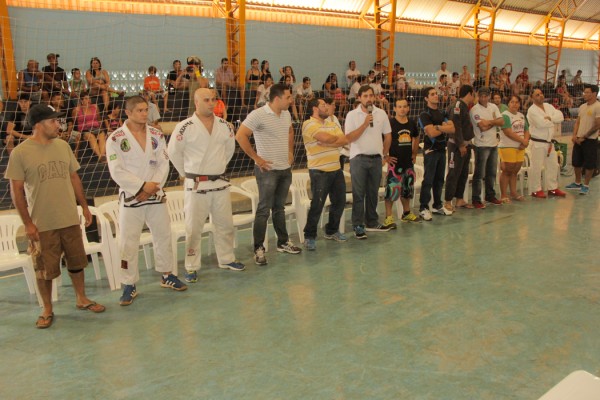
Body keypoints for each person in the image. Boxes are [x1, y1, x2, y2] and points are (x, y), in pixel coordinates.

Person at [5, 104, 106, 328]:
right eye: (53, 121)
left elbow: (74, 178)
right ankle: (47, 308)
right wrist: (28, 224)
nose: (58, 125)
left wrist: (84, 207)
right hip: (42, 224)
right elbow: (16, 191)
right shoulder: (21, 153)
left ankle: (81, 298)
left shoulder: (63, 146)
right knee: (44, 269)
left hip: (69, 218)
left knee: (77, 262)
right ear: (39, 125)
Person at [106, 96, 186, 306]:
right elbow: (116, 170)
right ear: (128, 113)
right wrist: (141, 187)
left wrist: (152, 187)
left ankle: (167, 274)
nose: (144, 114)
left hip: (155, 195)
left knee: (163, 236)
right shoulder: (116, 138)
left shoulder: (156, 134)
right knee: (128, 242)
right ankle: (129, 284)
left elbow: (164, 163)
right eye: (140, 110)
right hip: (132, 197)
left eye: (146, 110)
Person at [167, 88, 246, 282]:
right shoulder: (184, 126)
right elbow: (174, 153)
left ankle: (227, 258)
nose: (211, 103)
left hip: (219, 183)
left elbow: (229, 151)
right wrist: (187, 174)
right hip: (196, 185)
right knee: (194, 229)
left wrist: (217, 168)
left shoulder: (225, 125)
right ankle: (191, 266)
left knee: (225, 225)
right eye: (206, 100)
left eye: (213, 99)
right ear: (196, 102)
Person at [236, 83, 302, 265]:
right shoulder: (258, 114)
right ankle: (258, 248)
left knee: (279, 208)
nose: (291, 100)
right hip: (267, 172)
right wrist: (257, 158)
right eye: (288, 97)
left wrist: (290, 152)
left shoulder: (286, 114)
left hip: (284, 170)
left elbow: (290, 131)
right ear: (277, 99)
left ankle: (283, 242)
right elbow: (240, 135)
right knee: (264, 209)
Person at [345, 85, 394, 238]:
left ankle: (372, 222)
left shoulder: (381, 113)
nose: (369, 99)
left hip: (376, 159)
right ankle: (358, 225)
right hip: (358, 159)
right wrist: (365, 124)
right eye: (365, 96)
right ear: (359, 98)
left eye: (371, 95)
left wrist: (384, 154)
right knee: (359, 193)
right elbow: (349, 138)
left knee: (373, 193)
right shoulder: (352, 115)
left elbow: (388, 135)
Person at [301, 98, 349, 250]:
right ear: (315, 108)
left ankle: (331, 230)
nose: (327, 108)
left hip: (336, 168)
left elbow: (344, 140)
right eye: (323, 105)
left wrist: (330, 142)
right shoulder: (308, 124)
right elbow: (327, 138)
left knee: (340, 201)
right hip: (319, 171)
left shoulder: (331, 123)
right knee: (317, 204)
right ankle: (309, 236)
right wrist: (333, 140)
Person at [418, 86, 455, 221]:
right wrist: (443, 127)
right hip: (431, 151)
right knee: (428, 180)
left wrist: (438, 126)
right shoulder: (424, 114)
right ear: (426, 98)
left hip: (441, 150)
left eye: (436, 93)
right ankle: (423, 208)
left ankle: (437, 205)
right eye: (432, 94)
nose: (436, 96)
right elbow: (431, 133)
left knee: (439, 180)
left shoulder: (442, 112)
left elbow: (453, 128)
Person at [384, 99, 421, 227]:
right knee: (391, 191)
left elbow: (416, 136)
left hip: (408, 164)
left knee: (407, 190)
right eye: (399, 106)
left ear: (408, 108)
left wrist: (414, 153)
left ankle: (406, 213)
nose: (402, 109)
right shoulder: (390, 123)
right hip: (394, 165)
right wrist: (385, 156)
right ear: (395, 109)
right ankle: (389, 217)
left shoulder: (411, 123)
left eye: (405, 106)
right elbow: (382, 139)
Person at [526, 88, 566, 198]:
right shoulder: (531, 110)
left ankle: (552, 188)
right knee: (536, 167)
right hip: (537, 142)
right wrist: (553, 121)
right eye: (537, 95)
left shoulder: (548, 106)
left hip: (549, 142)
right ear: (532, 98)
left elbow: (561, 116)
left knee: (553, 165)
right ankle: (536, 190)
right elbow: (541, 124)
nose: (541, 96)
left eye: (541, 93)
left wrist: (550, 118)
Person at [469, 86, 504, 208]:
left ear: (489, 96)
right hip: (481, 145)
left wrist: (489, 122)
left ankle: (490, 195)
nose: (484, 98)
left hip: (494, 144)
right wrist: (494, 122)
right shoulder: (474, 110)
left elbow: (502, 122)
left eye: (486, 96)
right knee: (479, 174)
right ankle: (476, 199)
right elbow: (482, 127)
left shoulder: (493, 107)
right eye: (481, 96)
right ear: (478, 97)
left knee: (492, 173)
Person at [565, 84, 600, 195]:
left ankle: (586, 185)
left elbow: (597, 125)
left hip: (590, 140)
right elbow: (578, 122)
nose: (584, 94)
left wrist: (584, 137)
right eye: (584, 92)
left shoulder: (598, 106)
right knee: (576, 162)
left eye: (587, 92)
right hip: (578, 139)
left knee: (589, 164)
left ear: (594, 94)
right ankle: (577, 182)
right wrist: (574, 135)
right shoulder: (582, 106)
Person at [444, 85, 475, 212]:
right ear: (470, 94)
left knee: (463, 173)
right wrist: (461, 144)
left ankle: (459, 199)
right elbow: (455, 126)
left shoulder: (464, 106)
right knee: (453, 173)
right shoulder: (457, 106)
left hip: (466, 144)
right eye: (473, 94)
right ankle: (447, 201)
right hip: (456, 145)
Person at [499, 95, 530, 202]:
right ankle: (503, 195)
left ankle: (513, 193)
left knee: (515, 171)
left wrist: (525, 142)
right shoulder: (505, 115)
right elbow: (508, 132)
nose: (514, 104)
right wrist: (523, 141)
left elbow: (526, 130)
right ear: (508, 103)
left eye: (517, 102)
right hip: (507, 146)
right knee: (507, 171)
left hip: (520, 147)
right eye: (512, 102)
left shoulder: (521, 116)